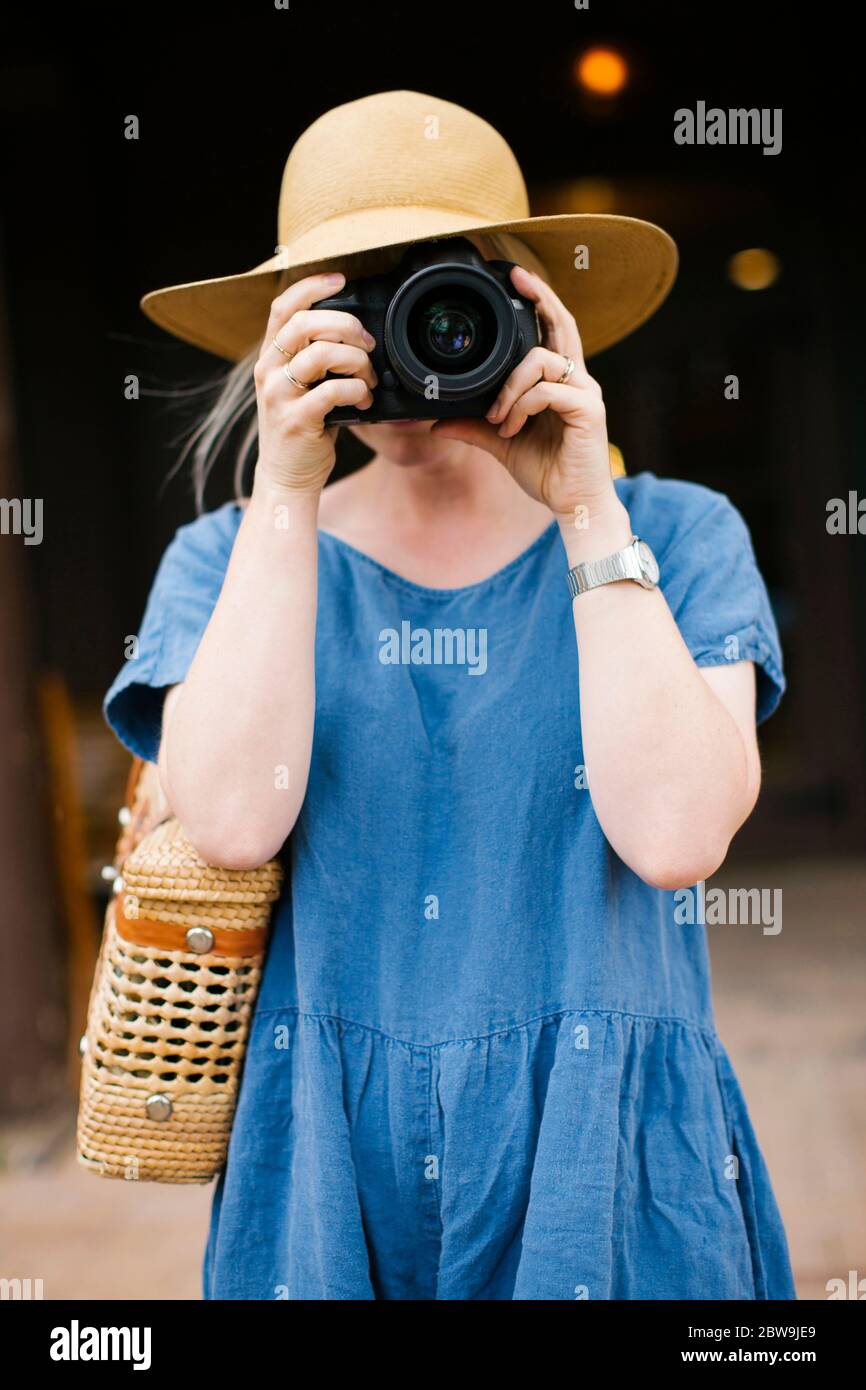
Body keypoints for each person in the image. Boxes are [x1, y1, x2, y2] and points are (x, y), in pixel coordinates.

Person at [104, 90, 795, 1300]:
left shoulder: (672, 535)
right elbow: (226, 821)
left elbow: (678, 835)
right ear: (281, 333)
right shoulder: (228, 558)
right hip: (323, 1166)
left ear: (530, 309)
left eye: (445, 296)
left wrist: (585, 509)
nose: (405, 340)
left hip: (608, 1161)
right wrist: (285, 493)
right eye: (352, 302)